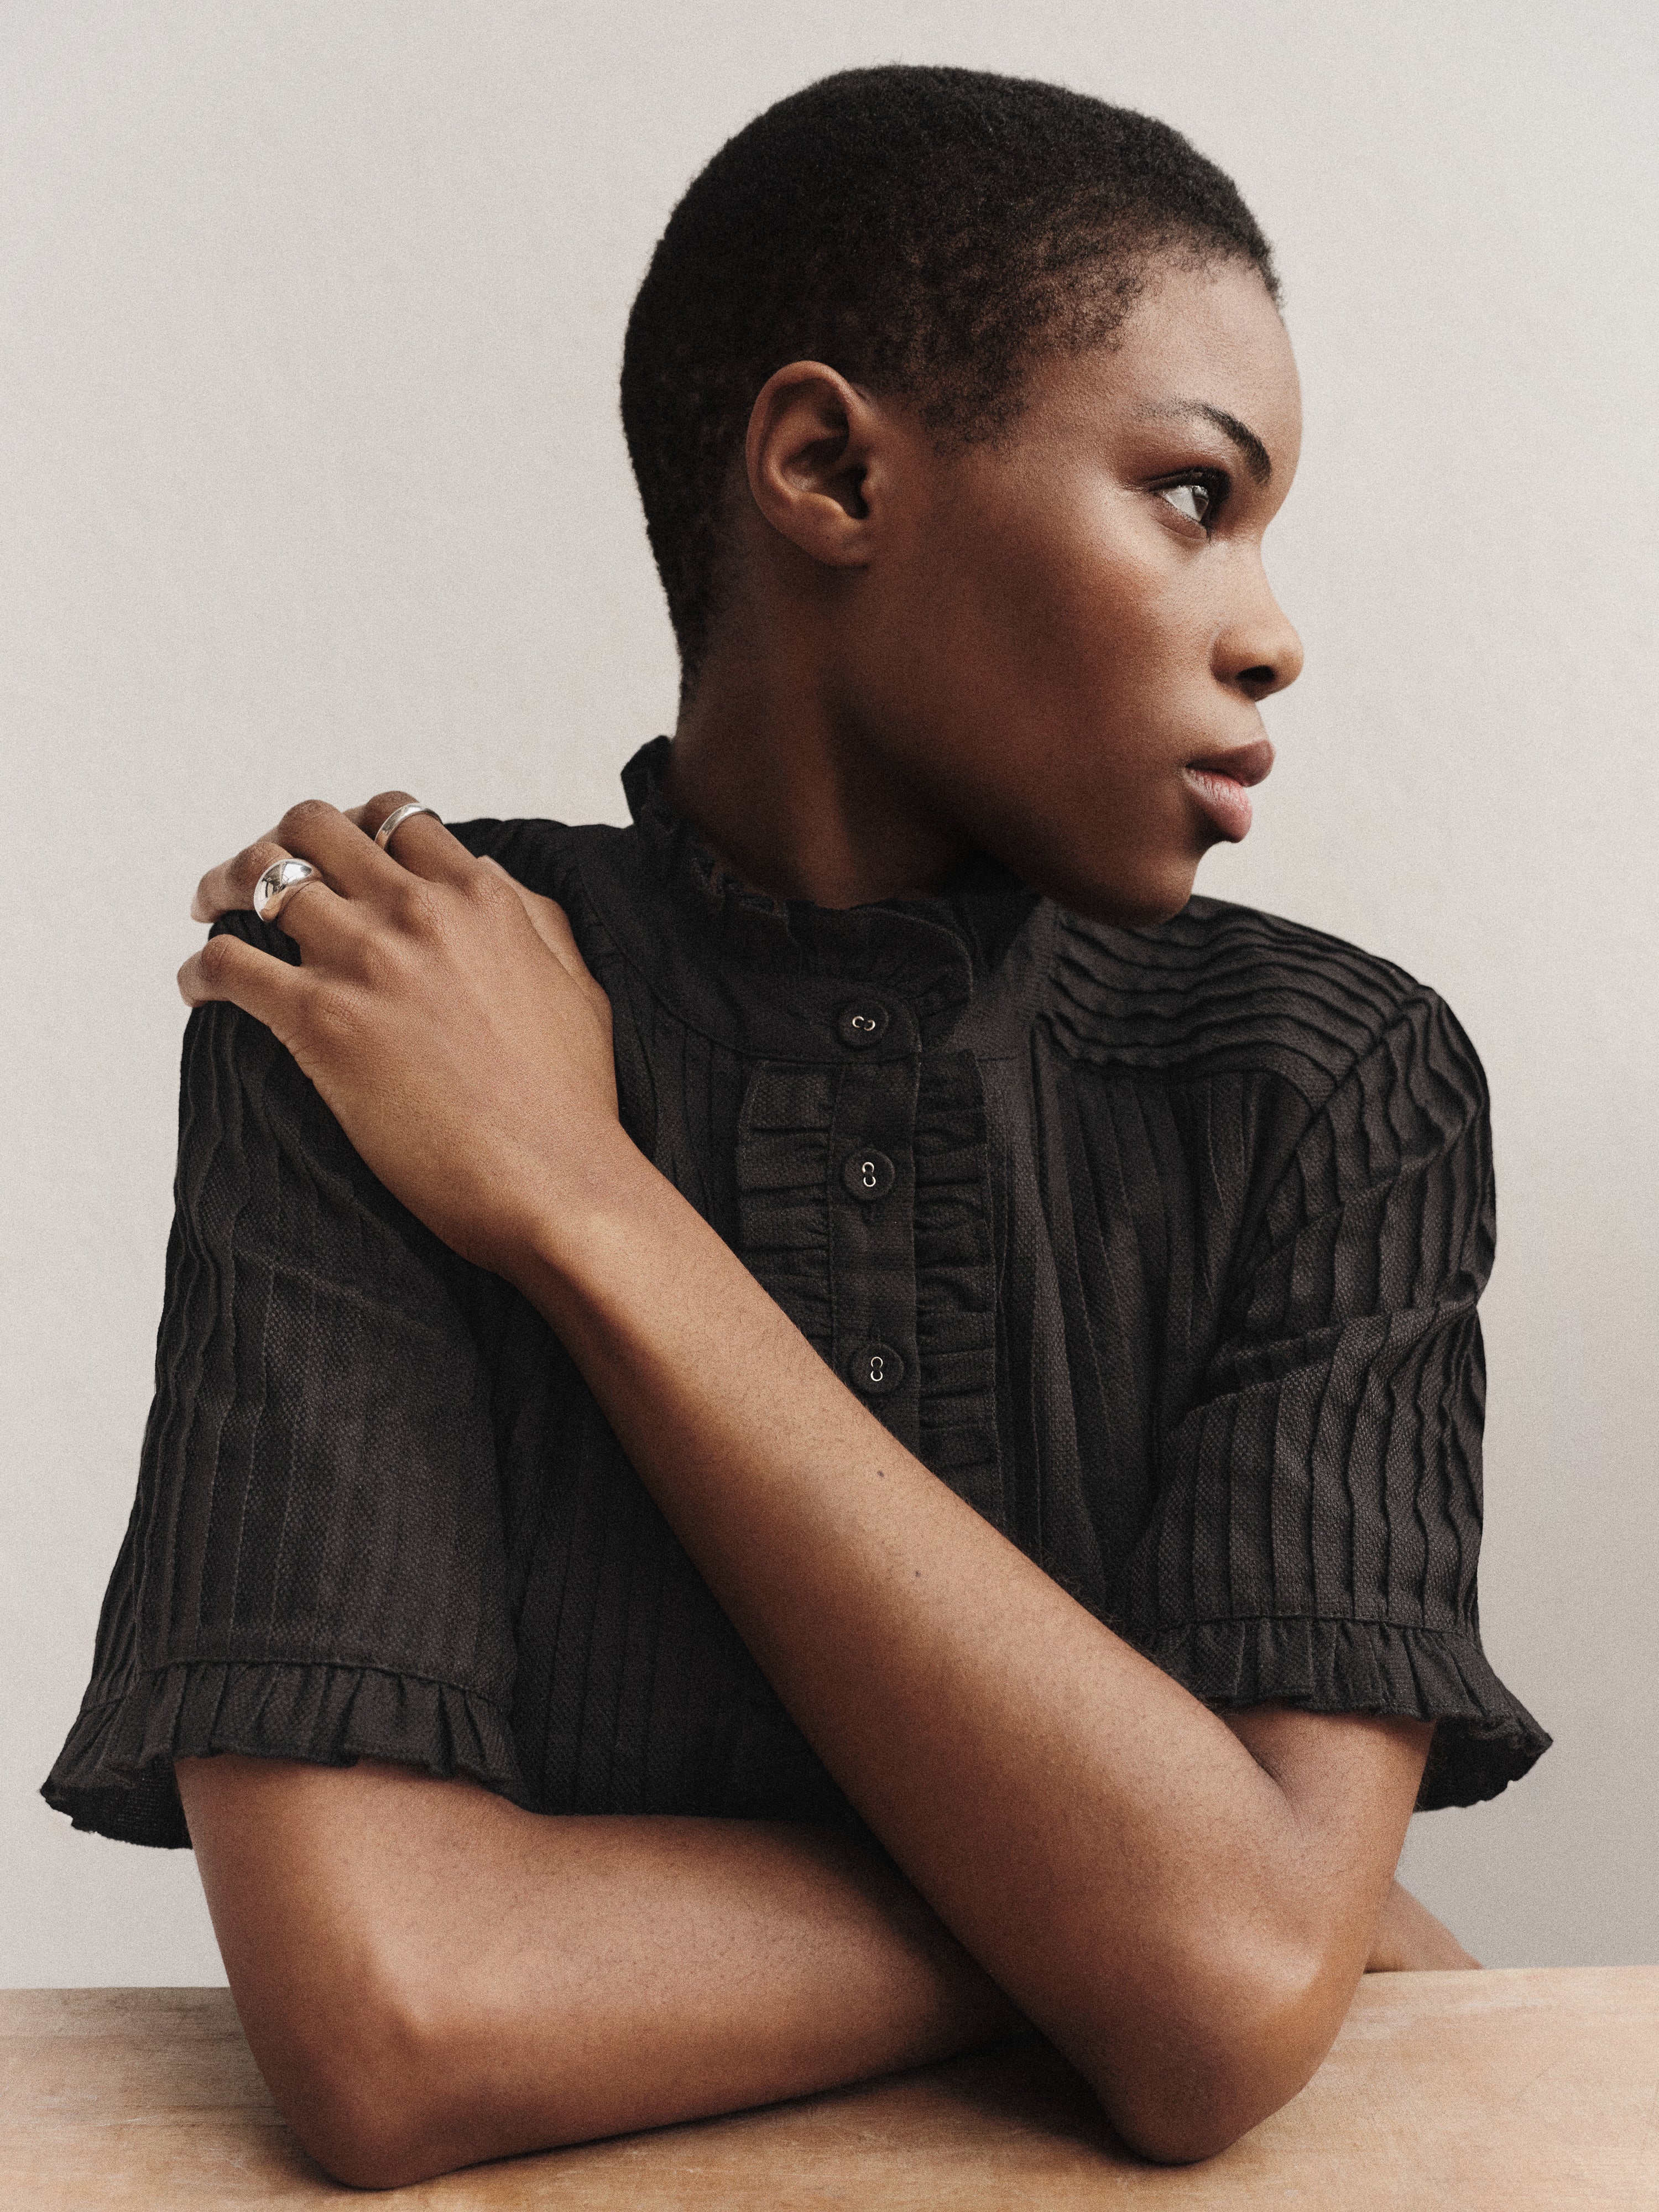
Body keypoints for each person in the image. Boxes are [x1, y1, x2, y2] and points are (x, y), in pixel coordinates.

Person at [43, 65, 1548, 2188]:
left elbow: (1224, 1987)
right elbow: (395, 2023)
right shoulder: (383, 1002)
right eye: (1195, 495)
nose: (1274, 633)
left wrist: (581, 1200)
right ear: (831, 470)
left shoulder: (1334, 1086)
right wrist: (1170, 1919)